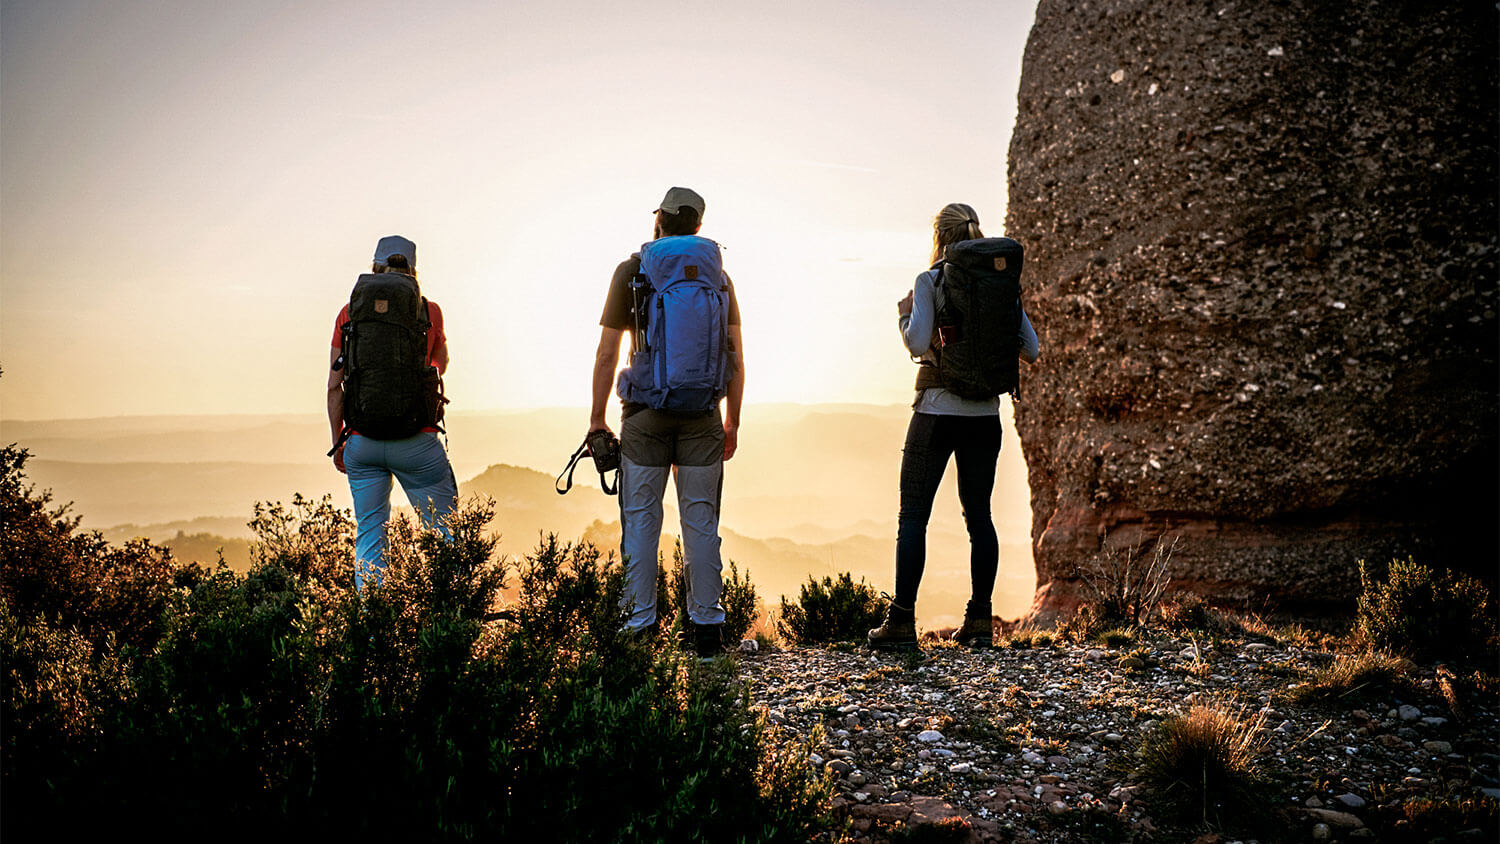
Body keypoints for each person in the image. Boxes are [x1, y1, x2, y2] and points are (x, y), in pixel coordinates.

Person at [868, 203, 1040, 650]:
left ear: (939, 237)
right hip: (985, 417)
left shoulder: (931, 280)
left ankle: (901, 622)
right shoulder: (1000, 286)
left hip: (936, 412)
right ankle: (980, 621)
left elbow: (918, 340)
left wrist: (904, 315)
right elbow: (1032, 349)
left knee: (914, 517)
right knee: (979, 518)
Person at [589, 187, 745, 658]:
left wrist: (597, 420)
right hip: (703, 416)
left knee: (640, 521)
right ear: (697, 224)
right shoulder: (717, 275)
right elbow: (735, 357)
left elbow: (606, 353)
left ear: (660, 220)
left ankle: (639, 628)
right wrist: (732, 421)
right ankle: (707, 631)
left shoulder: (632, 271)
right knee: (701, 521)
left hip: (644, 417)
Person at [327, 234, 458, 590]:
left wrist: (338, 440)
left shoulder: (349, 313)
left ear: (375, 267)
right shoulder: (428, 311)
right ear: (412, 270)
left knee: (369, 538)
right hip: (416, 440)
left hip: (361, 440)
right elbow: (439, 366)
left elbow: (333, 385)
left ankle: (372, 629)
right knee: (445, 535)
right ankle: (445, 623)